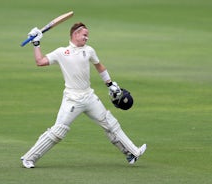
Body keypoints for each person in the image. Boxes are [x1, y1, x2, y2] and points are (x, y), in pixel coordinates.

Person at [21, 22, 146, 168]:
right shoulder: (62, 52)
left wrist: (110, 84)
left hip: (89, 96)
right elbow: (40, 61)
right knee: (58, 131)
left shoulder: (89, 50)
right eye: (84, 35)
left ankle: (132, 153)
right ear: (75, 34)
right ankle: (29, 158)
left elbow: (99, 66)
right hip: (72, 99)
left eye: (87, 35)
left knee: (110, 123)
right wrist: (36, 43)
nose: (86, 38)